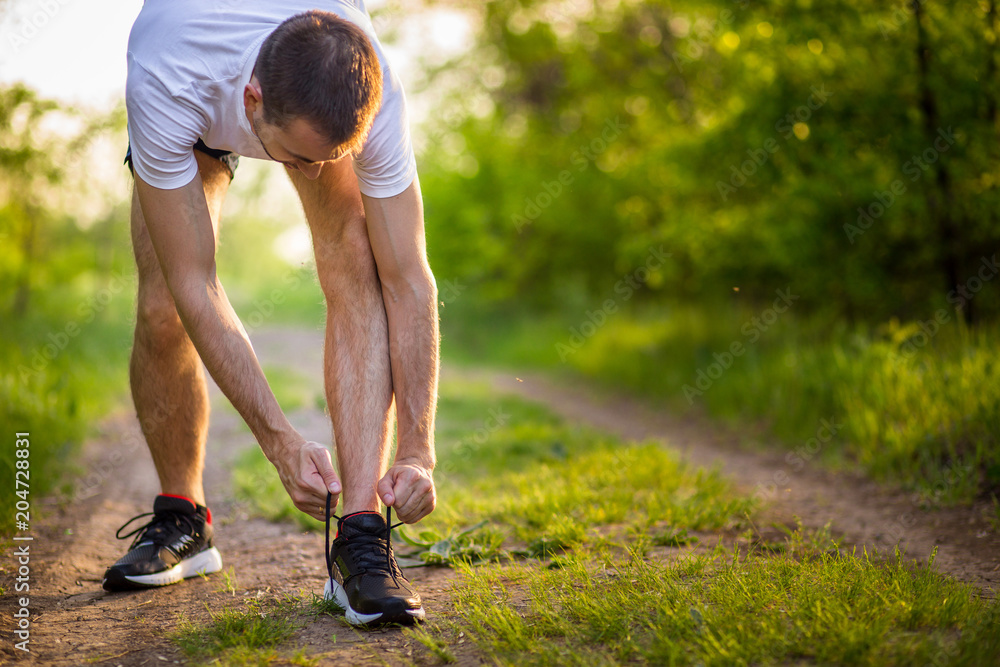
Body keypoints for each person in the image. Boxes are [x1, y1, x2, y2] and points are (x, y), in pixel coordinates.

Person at [101, 0, 439, 628]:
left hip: (310, 85)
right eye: (300, 157)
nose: (314, 173)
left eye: (328, 157)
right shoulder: (168, 76)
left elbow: (409, 279)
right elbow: (195, 283)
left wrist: (419, 448)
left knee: (356, 259)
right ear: (252, 100)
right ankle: (184, 517)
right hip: (199, 81)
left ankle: (361, 536)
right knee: (162, 307)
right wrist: (281, 443)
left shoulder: (372, 83)